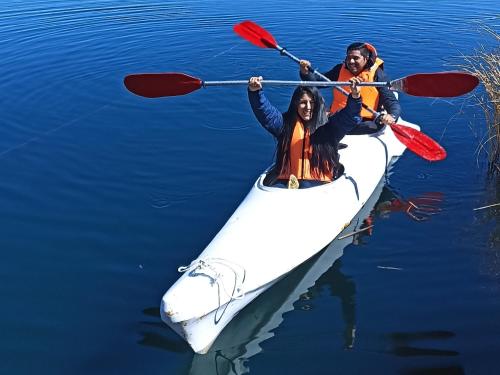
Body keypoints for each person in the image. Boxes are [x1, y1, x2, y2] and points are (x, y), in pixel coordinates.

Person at [248, 76, 362, 188]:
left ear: (317, 104)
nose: (308, 107)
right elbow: (266, 114)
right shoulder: (285, 125)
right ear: (295, 104)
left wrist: (355, 97)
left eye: (311, 102)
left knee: (305, 185)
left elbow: (350, 116)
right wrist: (255, 92)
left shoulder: (330, 127)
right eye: (303, 102)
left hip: (320, 183)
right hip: (287, 180)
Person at [299, 42, 401, 134]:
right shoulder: (339, 69)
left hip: (365, 123)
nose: (351, 61)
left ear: (365, 59)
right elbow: (317, 83)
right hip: (339, 118)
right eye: (348, 58)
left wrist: (392, 116)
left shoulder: (378, 75)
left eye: (356, 58)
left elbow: (391, 101)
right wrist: (305, 72)